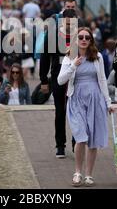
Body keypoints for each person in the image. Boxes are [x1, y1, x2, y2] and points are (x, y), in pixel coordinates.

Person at [58, 27, 115, 187]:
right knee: (80, 136)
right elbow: (60, 80)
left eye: (87, 38)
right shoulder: (69, 58)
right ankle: (77, 172)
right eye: (81, 37)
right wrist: (73, 66)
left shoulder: (97, 57)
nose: (84, 40)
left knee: (93, 139)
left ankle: (89, 174)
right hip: (76, 100)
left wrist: (108, 102)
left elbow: (103, 80)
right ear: (76, 39)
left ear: (91, 41)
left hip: (95, 99)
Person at [40, 8, 78, 158]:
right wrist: (43, 79)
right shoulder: (53, 34)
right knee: (60, 111)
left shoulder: (81, 34)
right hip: (58, 76)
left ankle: (77, 142)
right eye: (66, 23)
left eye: (72, 23)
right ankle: (60, 145)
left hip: (77, 76)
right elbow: (45, 57)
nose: (69, 26)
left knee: (77, 111)